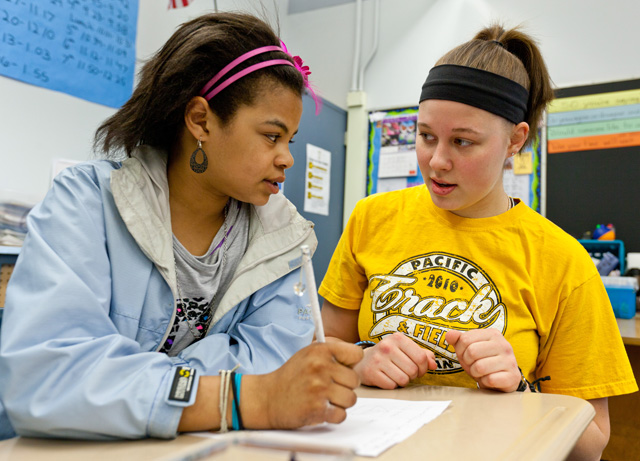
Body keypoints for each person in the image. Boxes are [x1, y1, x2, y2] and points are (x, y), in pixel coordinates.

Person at [0, 12, 362, 440]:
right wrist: (244, 397)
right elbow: (47, 380)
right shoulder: (86, 204)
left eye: (290, 140)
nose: (287, 158)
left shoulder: (283, 237)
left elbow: (283, 368)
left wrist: (121, 384)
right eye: (271, 136)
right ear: (201, 120)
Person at [319, 24, 637, 460]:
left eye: (463, 142)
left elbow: (593, 441)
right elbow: (319, 355)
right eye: (426, 136)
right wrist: (359, 361)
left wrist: (522, 390)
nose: (437, 161)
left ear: (515, 140)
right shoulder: (372, 218)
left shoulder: (563, 261)